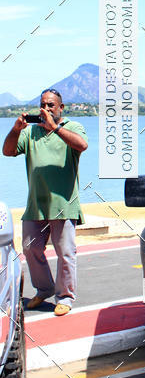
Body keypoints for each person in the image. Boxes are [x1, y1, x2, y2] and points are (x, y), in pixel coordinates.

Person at [2, 88, 88, 316]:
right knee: (30, 248)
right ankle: (45, 289)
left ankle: (65, 297)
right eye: (43, 105)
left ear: (61, 107)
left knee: (65, 253)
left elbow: (82, 145)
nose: (46, 108)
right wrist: (16, 129)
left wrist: (55, 128)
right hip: (35, 205)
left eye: (51, 105)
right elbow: (8, 151)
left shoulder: (72, 127)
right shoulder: (31, 132)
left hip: (63, 205)